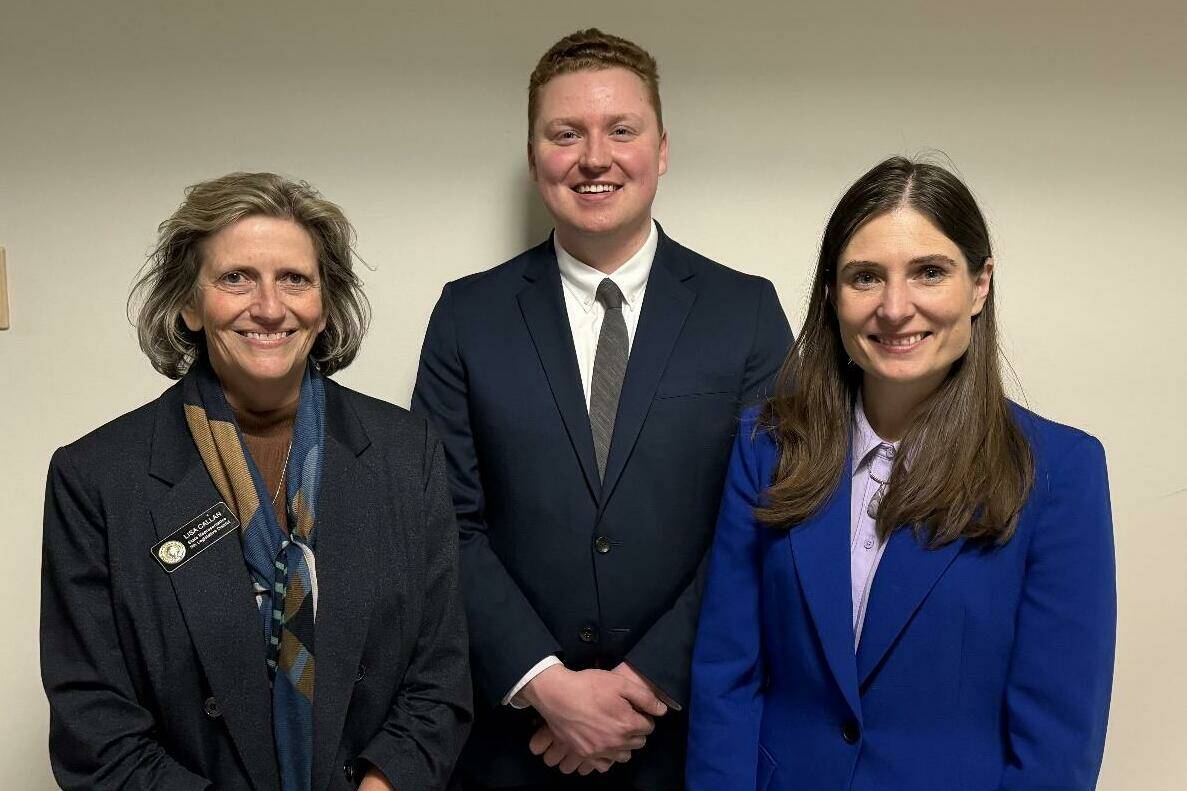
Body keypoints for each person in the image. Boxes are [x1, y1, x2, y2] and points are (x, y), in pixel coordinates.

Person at [412, 28, 792, 791]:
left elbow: (771, 513)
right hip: (510, 746)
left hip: (689, 740)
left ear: (662, 148)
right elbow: (442, 521)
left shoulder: (746, 312)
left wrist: (644, 685)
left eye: (621, 130)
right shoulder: (466, 315)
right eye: (565, 134)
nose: (594, 157)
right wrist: (546, 683)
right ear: (533, 157)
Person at [686, 156, 1116, 790]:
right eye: (865, 277)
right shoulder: (767, 447)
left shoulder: (1059, 473)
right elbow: (726, 677)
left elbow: (1057, 744)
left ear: (980, 285)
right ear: (831, 295)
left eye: (929, 272)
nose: (894, 308)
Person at [41, 172, 471, 791]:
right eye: (236, 278)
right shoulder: (96, 478)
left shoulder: (408, 454)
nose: (269, 307)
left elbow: (440, 679)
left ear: (325, 305)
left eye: (294, 279)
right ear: (189, 305)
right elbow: (93, 724)